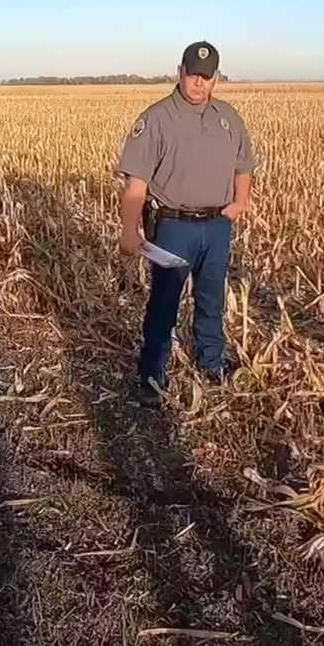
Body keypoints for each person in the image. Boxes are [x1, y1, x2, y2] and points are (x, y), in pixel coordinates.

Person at [116, 41, 257, 406]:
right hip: (174, 227)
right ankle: (152, 373)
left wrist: (240, 202)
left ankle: (211, 362)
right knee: (164, 301)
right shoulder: (158, 118)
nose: (198, 83)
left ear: (216, 80)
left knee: (211, 299)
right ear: (180, 72)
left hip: (216, 226)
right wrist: (129, 230)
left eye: (206, 77)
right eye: (192, 75)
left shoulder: (228, 117)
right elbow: (137, 182)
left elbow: (244, 165)